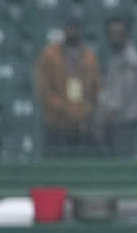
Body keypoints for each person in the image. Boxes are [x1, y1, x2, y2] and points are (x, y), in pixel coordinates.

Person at [34, 14, 101, 155]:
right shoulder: (50, 54)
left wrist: (85, 111)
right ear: (63, 29)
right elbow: (44, 89)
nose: (72, 31)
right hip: (55, 123)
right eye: (69, 27)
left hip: (82, 125)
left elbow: (96, 88)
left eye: (75, 28)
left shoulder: (89, 56)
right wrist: (66, 109)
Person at [95, 16, 137, 155]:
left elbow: (123, 95)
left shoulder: (130, 58)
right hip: (113, 121)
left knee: (121, 163)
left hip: (124, 122)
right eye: (112, 34)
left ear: (126, 34)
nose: (115, 38)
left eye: (119, 34)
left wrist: (106, 115)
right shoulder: (115, 56)